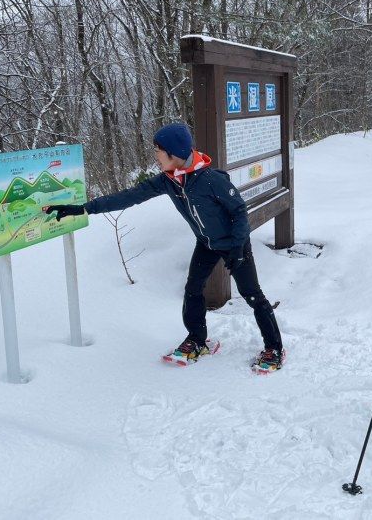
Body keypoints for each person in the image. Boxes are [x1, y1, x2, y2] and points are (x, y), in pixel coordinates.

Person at [44, 122, 285, 373]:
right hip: (206, 244)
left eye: (159, 151)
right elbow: (128, 196)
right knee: (193, 289)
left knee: (252, 294)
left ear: (174, 152)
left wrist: (236, 249)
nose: (156, 157)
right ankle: (197, 340)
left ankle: (274, 347)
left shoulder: (212, 180)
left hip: (234, 244)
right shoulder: (169, 181)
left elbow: (238, 211)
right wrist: (82, 208)